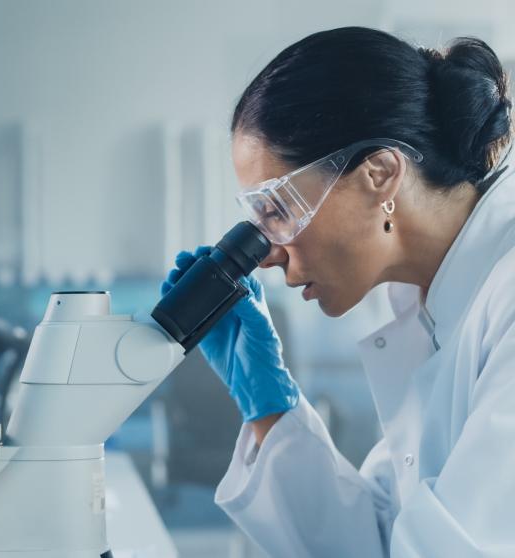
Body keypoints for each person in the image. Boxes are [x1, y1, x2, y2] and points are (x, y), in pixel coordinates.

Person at [162, 27, 515, 557]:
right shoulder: (433, 310)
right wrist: (269, 406)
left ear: (380, 174)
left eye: (278, 209)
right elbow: (379, 541)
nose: (268, 253)